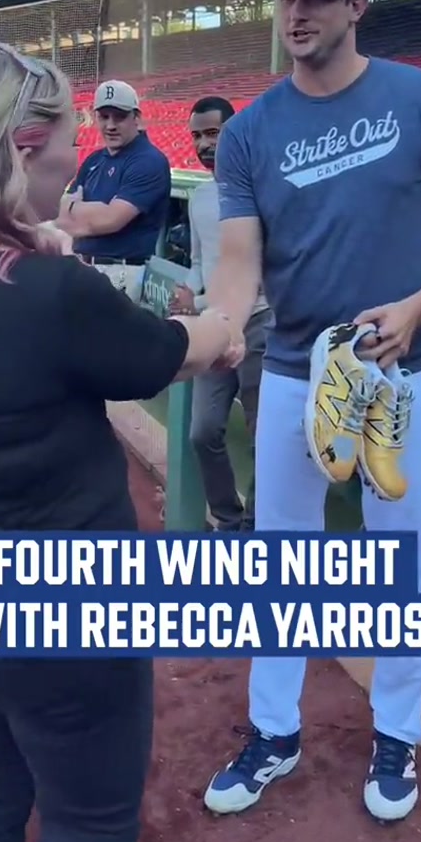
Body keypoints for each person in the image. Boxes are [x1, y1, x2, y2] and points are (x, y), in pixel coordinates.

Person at [0, 40, 232, 842]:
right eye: (67, 142)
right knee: (89, 822)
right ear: (21, 148)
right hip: (57, 606)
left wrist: (37, 245)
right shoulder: (52, 294)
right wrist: (220, 327)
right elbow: (174, 348)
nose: (73, 165)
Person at [200, 0, 421, 823]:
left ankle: (396, 733)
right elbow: (237, 259)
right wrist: (221, 324)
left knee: (403, 559)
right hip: (300, 371)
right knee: (281, 555)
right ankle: (274, 730)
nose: (294, 11)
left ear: (354, 4)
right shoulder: (251, 132)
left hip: (405, 371)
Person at [169, 96, 271, 532]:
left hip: (263, 321)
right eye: (196, 135)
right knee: (203, 431)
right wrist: (191, 288)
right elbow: (198, 259)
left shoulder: (262, 188)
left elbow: (262, 268)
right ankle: (228, 521)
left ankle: (254, 526)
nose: (204, 143)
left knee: (261, 435)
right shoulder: (199, 196)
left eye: (213, 132)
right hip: (217, 324)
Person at [57, 79, 171, 302]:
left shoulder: (148, 160)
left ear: (136, 118)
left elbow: (111, 220)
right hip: (84, 266)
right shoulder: (94, 160)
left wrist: (75, 209)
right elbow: (60, 217)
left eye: (119, 116)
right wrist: (89, 211)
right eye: (104, 116)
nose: (110, 125)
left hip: (122, 273)